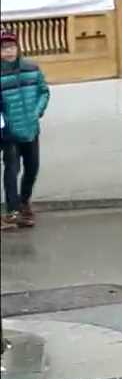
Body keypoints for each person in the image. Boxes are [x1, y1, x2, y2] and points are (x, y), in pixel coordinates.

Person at [0, 30, 49, 230]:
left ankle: (24, 202)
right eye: (4, 48)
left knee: (32, 168)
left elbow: (44, 92)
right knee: (12, 170)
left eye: (11, 47)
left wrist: (36, 112)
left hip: (31, 129)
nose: (8, 51)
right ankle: (12, 211)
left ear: (18, 48)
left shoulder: (32, 69)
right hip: (9, 132)